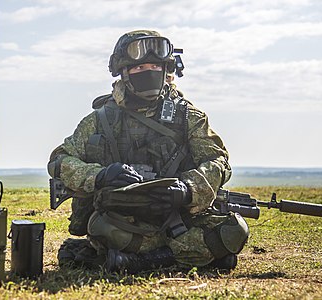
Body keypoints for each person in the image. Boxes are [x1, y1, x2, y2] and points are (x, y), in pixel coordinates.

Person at [48, 30, 249, 273]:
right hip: (122, 221)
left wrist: (188, 189)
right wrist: (100, 176)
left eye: (155, 65)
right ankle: (184, 257)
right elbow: (59, 161)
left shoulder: (188, 117)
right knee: (105, 229)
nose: (149, 72)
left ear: (167, 71)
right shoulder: (101, 120)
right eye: (140, 68)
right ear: (124, 72)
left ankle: (136, 262)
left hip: (177, 218)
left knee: (233, 230)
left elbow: (218, 161)